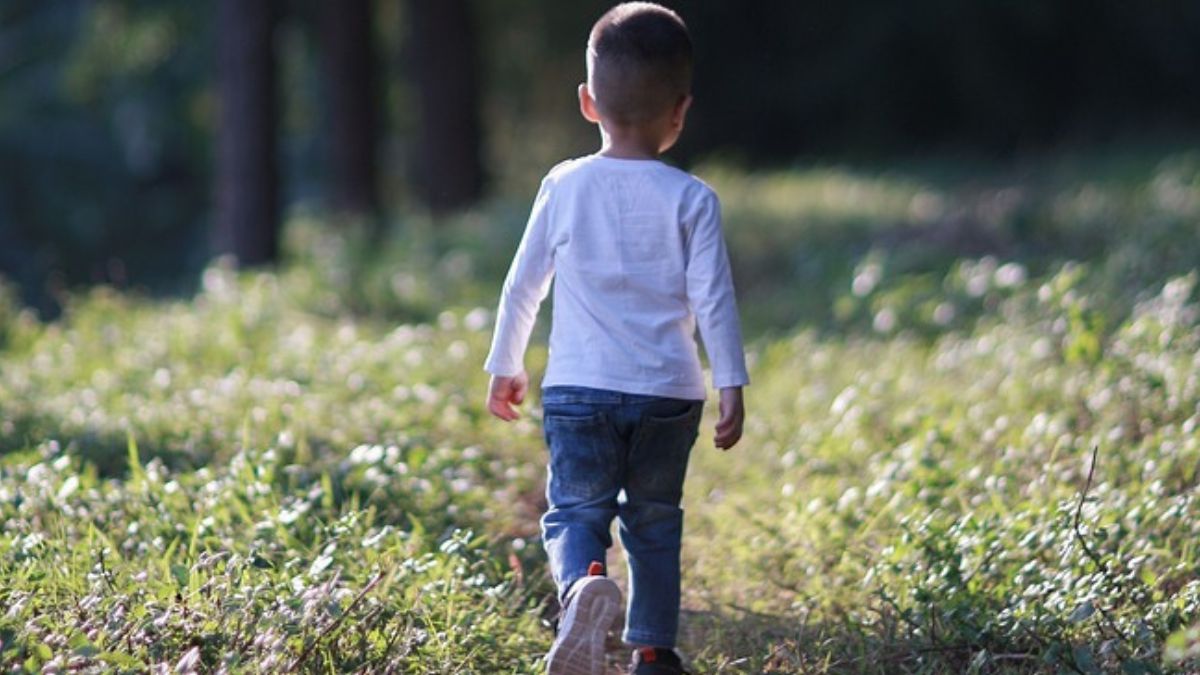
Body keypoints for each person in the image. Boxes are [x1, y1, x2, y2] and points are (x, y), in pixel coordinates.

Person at [483, 3, 748, 673]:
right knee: (655, 522)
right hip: (668, 392)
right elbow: (715, 297)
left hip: (579, 388)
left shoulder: (564, 185)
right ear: (680, 111)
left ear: (587, 102)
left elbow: (523, 284)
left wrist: (504, 363)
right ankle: (654, 651)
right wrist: (731, 383)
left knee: (575, 511)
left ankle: (582, 587)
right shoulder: (693, 199)